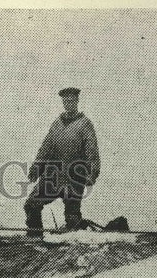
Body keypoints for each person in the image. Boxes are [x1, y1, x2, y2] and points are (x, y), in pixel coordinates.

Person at [24, 87, 101, 239]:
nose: (68, 104)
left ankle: (73, 241)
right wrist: (36, 168)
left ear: (77, 102)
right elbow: (45, 148)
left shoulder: (85, 124)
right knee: (31, 204)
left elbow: (92, 152)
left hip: (74, 178)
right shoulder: (56, 124)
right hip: (53, 177)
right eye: (66, 101)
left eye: (71, 101)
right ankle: (35, 237)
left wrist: (92, 173)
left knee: (72, 218)